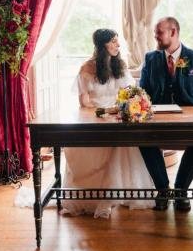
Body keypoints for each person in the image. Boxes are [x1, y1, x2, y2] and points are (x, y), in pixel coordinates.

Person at [62, 28, 154, 218]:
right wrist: (102, 113)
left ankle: (118, 193)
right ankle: (96, 198)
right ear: (102, 44)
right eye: (113, 41)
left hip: (118, 118)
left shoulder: (120, 65)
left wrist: (125, 108)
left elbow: (130, 93)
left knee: (123, 144)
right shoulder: (87, 68)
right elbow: (84, 102)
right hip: (95, 118)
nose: (118, 45)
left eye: (117, 41)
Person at [139, 17, 193, 211]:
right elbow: (143, 94)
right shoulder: (150, 58)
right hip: (157, 123)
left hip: (189, 124)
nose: (155, 36)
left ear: (173, 32)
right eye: (155, 32)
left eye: (159, 32)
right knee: (142, 141)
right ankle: (163, 190)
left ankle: (181, 190)